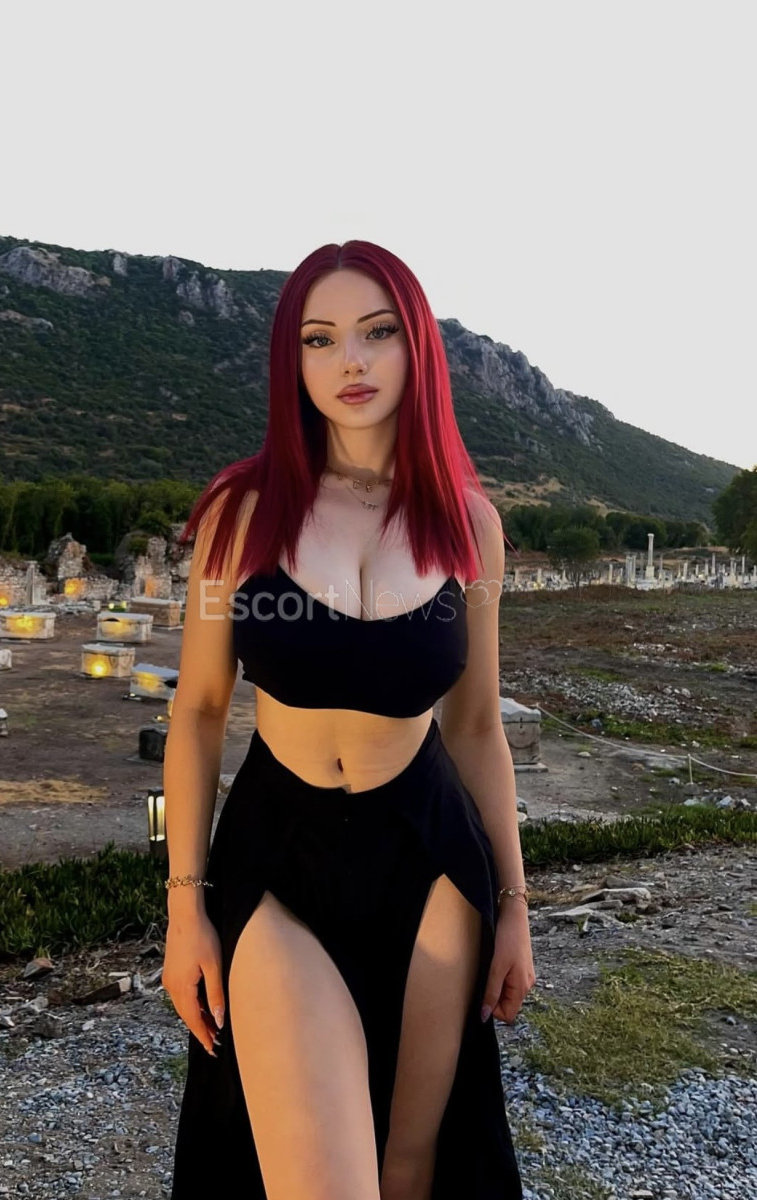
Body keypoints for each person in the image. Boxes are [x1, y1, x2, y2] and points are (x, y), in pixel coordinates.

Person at [162, 240, 535, 1200]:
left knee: (411, 1171)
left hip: (431, 856)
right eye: (320, 340)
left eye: (377, 332)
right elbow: (198, 711)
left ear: (417, 347)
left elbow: (477, 726)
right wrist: (184, 904)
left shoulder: (470, 527)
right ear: (293, 363)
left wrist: (515, 906)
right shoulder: (241, 515)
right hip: (280, 858)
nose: (352, 361)